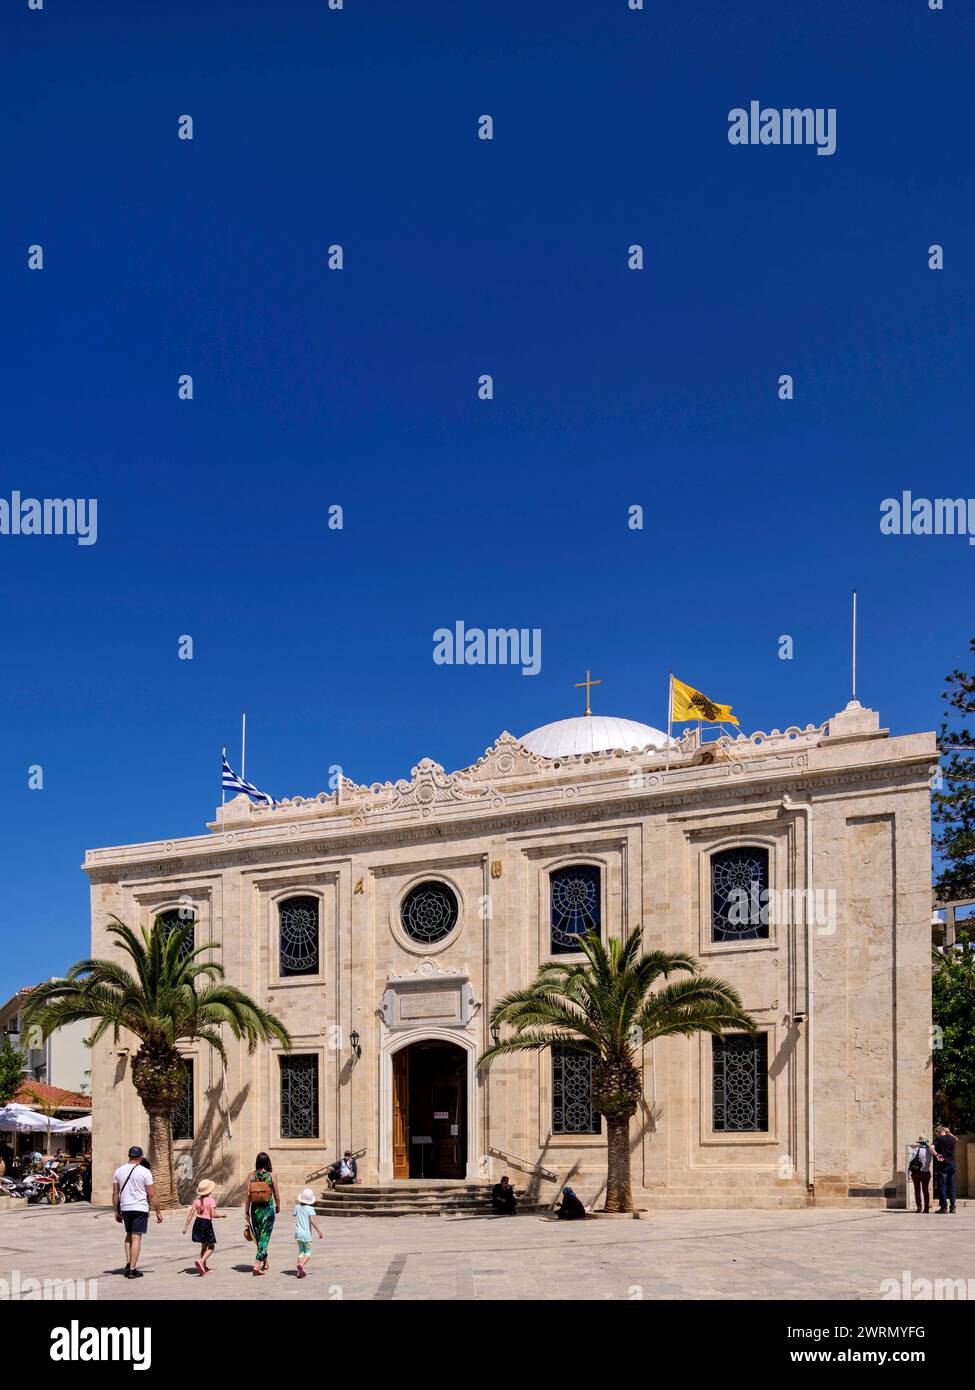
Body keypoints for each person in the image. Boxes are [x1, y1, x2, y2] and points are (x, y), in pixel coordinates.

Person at [112, 1145, 162, 1279]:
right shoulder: (145, 1172)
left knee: (128, 1235)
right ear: (140, 1157)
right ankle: (132, 1270)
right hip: (140, 1207)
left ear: (129, 1156)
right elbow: (152, 1194)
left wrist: (116, 1211)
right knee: (136, 1237)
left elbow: (115, 1194)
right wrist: (158, 1211)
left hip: (126, 1207)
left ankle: (129, 1264)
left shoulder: (119, 1171)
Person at [245, 1152, 280, 1275]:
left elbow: (248, 1196)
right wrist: (278, 1205)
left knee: (260, 1237)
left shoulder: (251, 1176)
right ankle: (256, 1265)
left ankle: (265, 1262)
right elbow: (276, 1193)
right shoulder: (272, 1175)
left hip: (255, 1210)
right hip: (268, 1210)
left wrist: (246, 1211)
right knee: (264, 1238)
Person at [182, 1178, 219, 1275]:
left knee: (204, 1246)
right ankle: (201, 1261)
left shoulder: (196, 1201)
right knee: (211, 1247)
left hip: (198, 1223)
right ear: (209, 1190)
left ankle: (203, 1267)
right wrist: (222, 1215)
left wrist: (185, 1227)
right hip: (206, 1224)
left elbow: (190, 1214)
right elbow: (213, 1215)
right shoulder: (211, 1201)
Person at [293, 1187, 323, 1278]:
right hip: (307, 1235)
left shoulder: (297, 1207)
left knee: (301, 1251)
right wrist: (319, 1231)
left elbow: (294, 1214)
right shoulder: (310, 1209)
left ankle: (299, 1272)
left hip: (298, 1234)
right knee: (308, 1251)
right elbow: (313, 1221)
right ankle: (301, 1265)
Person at [933, 1125, 957, 1214]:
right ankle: (953, 1207)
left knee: (942, 1186)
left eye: (937, 1133)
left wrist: (936, 1155)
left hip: (943, 1164)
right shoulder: (952, 1139)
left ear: (939, 1132)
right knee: (952, 1186)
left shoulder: (939, 1139)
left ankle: (944, 1208)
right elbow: (956, 1139)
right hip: (952, 1164)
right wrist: (949, 1132)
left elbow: (931, 1148)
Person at [908, 1135, 933, 1213]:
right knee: (925, 1190)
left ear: (919, 1142)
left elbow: (911, 1162)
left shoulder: (916, 1150)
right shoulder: (930, 1150)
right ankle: (926, 1208)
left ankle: (919, 1207)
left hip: (916, 1173)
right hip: (926, 1172)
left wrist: (909, 1172)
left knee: (917, 1190)